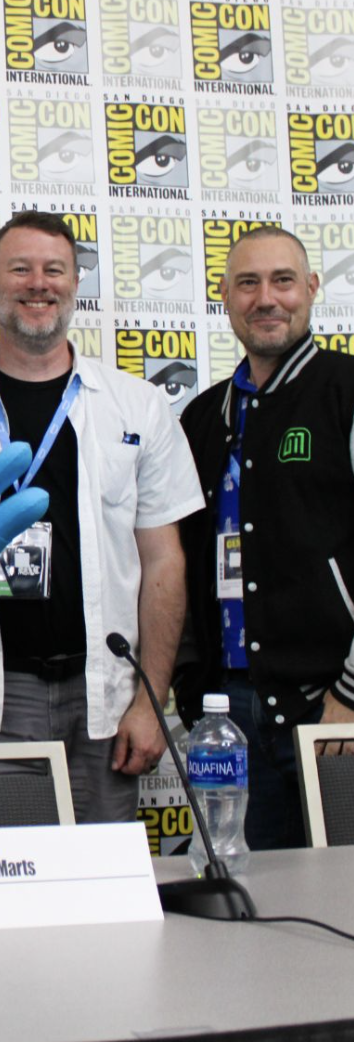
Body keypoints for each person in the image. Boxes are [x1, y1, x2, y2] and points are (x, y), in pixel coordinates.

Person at [0, 211, 204, 821]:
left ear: (76, 284)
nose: (38, 283)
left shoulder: (139, 407)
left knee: (103, 896)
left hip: (104, 695)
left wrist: (150, 701)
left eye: (54, 270)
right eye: (19, 269)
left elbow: (163, 561)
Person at [177, 226, 354, 850]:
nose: (266, 298)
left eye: (283, 281)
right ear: (223, 296)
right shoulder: (201, 417)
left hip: (332, 707)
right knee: (251, 910)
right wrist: (193, 687)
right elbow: (179, 562)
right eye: (248, 283)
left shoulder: (346, 391)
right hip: (232, 716)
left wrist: (350, 695)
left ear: (311, 289)